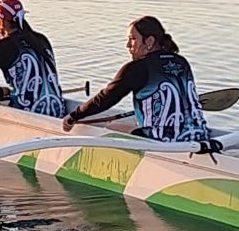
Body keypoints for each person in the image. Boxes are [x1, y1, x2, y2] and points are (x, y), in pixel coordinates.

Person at [61, 15, 208, 142]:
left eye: (132, 39)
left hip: (162, 140)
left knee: (111, 126)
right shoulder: (181, 62)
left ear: (149, 41)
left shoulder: (137, 68)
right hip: (198, 134)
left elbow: (105, 99)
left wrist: (74, 115)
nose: (128, 45)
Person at [0, 0, 64, 117]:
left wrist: (5, 91)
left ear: (1, 21)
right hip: (58, 110)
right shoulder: (42, 40)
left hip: (27, 112)